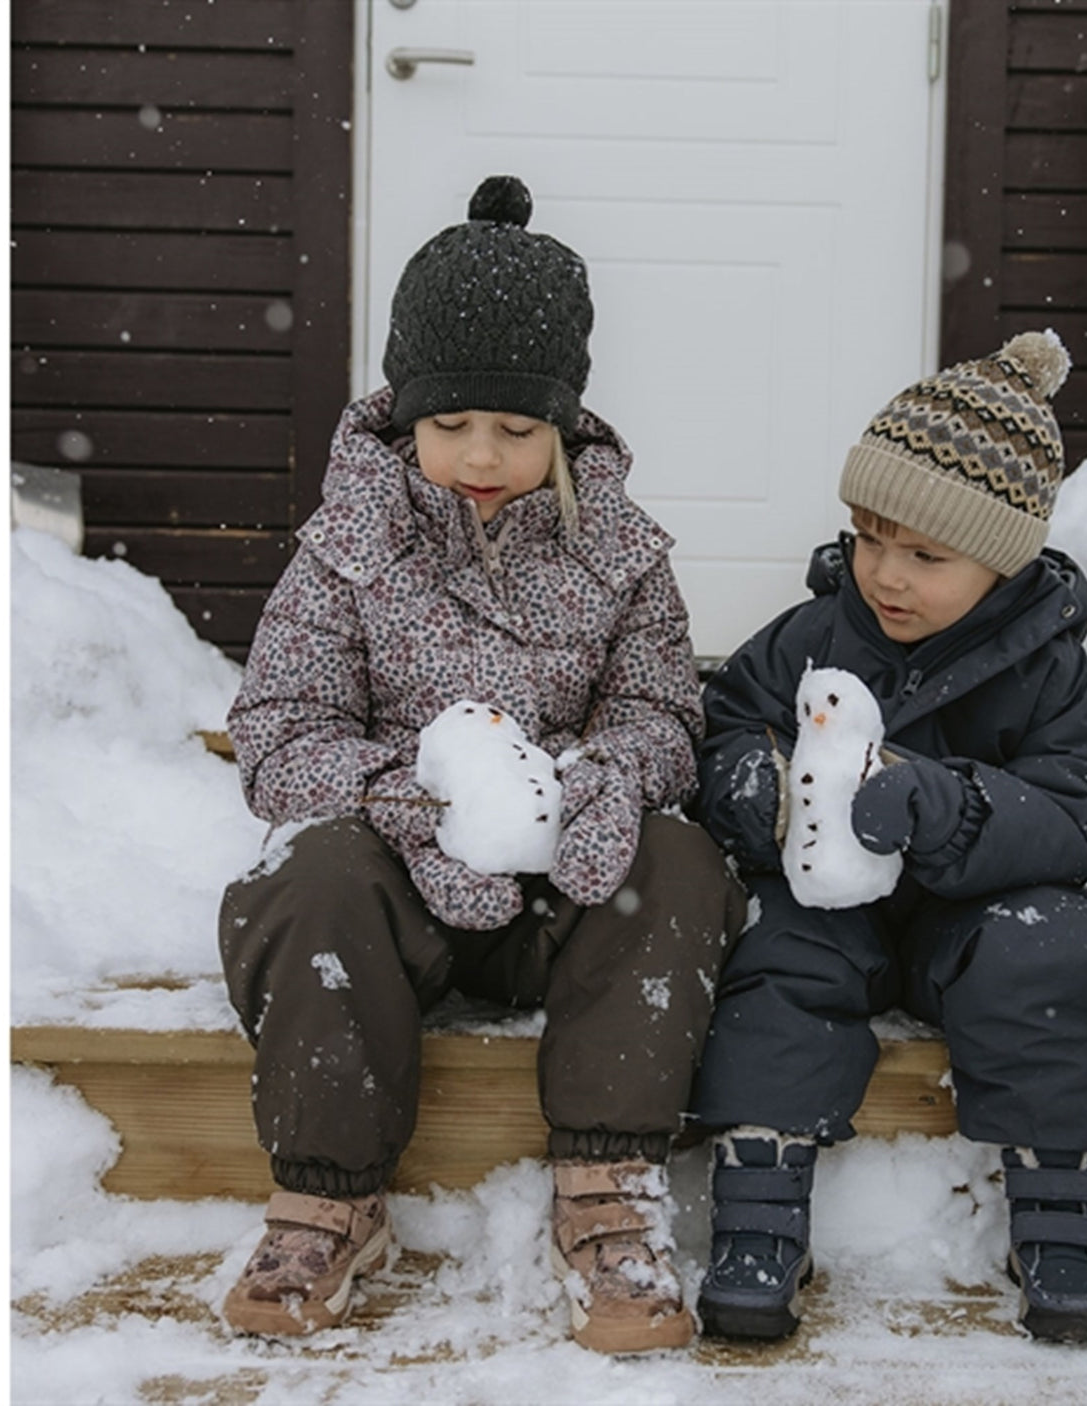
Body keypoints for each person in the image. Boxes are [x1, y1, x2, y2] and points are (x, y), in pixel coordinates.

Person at [216, 175, 745, 1355]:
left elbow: (661, 709)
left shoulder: (620, 552)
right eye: (453, 425)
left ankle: (607, 1192)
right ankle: (328, 1194)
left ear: (565, 425)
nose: (482, 455)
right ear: (407, 417)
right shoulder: (344, 551)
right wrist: (416, 797)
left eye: (515, 428)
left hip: (567, 889)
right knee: (309, 870)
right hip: (395, 886)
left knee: (679, 858)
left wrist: (597, 781)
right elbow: (283, 727)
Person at [688, 332, 1087, 1346]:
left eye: (924, 554)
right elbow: (724, 727)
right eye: (867, 537)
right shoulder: (810, 635)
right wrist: (766, 794)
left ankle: (1061, 1207)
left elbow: (1076, 805)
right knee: (771, 947)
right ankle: (759, 1204)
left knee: (1060, 944)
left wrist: (945, 805)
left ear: (1002, 557)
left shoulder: (1043, 668)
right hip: (827, 907)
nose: (885, 573)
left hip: (970, 912)